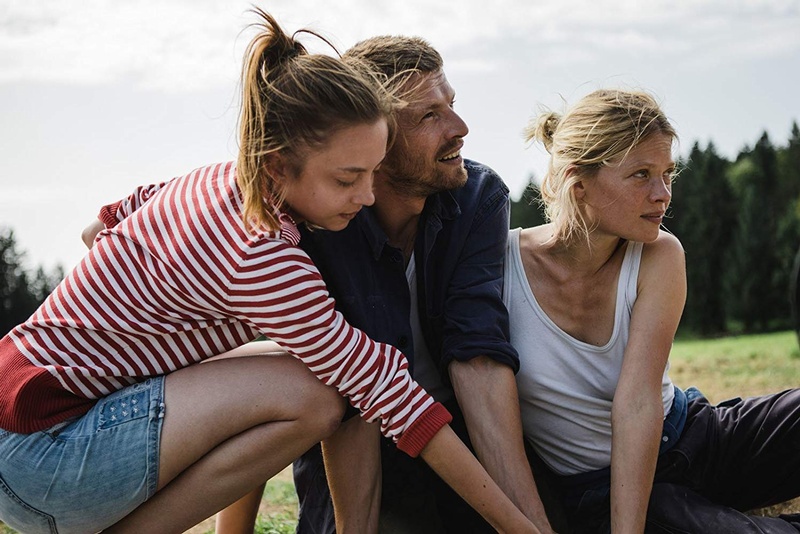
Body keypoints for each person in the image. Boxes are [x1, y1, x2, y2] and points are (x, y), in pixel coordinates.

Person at [0, 10, 538, 534]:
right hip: (43, 453)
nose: (367, 197)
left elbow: (101, 225)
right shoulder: (264, 255)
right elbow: (390, 396)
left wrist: (135, 339)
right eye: (347, 179)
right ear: (279, 165)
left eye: (372, 173)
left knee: (292, 368)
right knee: (317, 394)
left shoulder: (215, 181)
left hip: (21, 419)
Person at [216, 35, 555, 534]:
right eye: (429, 116)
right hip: (353, 440)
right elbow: (278, 382)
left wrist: (532, 524)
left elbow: (478, 357)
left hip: (456, 435)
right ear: (374, 137)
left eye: (451, 105)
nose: (460, 129)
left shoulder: (478, 199)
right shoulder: (316, 221)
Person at [505, 88, 800, 533]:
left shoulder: (660, 253)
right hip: (605, 490)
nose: (663, 194)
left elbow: (639, 400)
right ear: (578, 184)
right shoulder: (501, 267)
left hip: (694, 436)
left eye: (667, 174)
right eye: (641, 175)